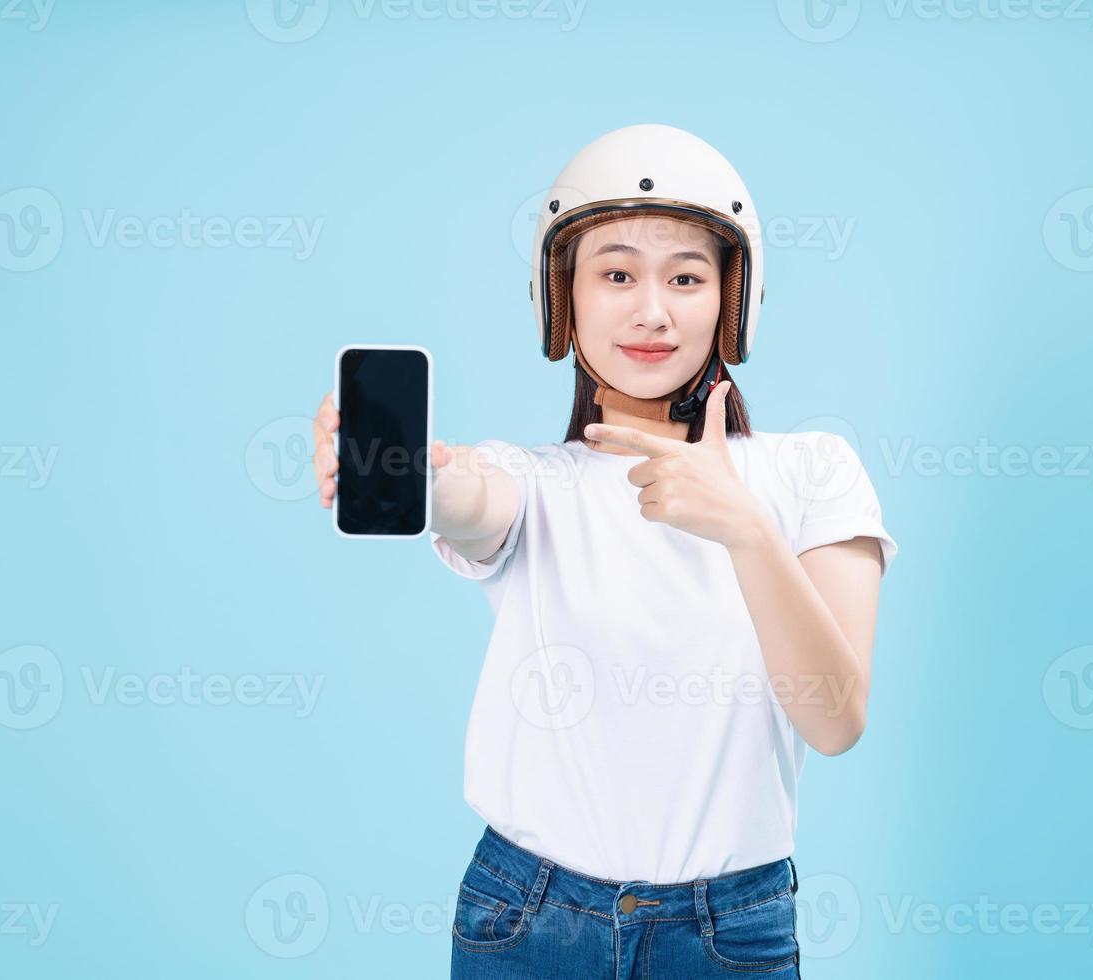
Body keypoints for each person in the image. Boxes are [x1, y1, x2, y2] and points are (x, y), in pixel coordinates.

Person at [310, 123, 897, 979]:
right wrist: (418, 477)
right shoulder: (533, 483)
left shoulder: (812, 472)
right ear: (566, 300)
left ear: (733, 299)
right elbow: (473, 499)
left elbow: (835, 719)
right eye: (616, 273)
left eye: (687, 278)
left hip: (731, 930)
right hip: (528, 918)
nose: (651, 311)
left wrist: (743, 527)